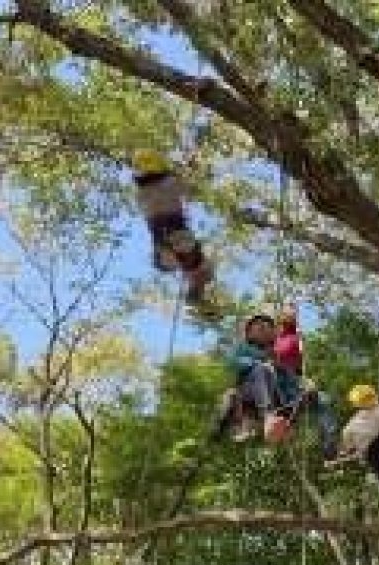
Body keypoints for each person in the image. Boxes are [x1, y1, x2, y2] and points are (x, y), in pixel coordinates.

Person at [131, 149, 215, 312]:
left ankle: (194, 287)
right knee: (203, 269)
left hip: (160, 245)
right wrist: (188, 169)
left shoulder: (140, 193)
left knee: (189, 264)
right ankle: (195, 289)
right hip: (178, 236)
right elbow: (191, 190)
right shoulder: (170, 182)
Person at [273, 305, 339, 460]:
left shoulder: (296, 336)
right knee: (305, 396)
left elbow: (300, 362)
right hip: (281, 382)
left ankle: (329, 447)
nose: (293, 316)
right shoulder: (275, 339)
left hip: (296, 380)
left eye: (294, 314)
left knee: (323, 400)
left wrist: (305, 379)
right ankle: (287, 418)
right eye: (289, 314)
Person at [225, 314, 292, 443]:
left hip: (273, 395)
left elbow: (287, 376)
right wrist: (257, 362)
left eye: (267, 327)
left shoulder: (274, 353)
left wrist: (302, 384)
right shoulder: (244, 348)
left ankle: (283, 425)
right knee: (261, 370)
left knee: (306, 393)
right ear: (250, 332)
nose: (263, 328)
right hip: (248, 393)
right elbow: (233, 362)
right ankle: (267, 416)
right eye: (259, 327)